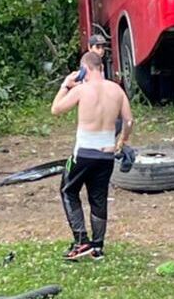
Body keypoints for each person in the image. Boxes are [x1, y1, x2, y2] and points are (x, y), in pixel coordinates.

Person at [50, 51, 133, 261]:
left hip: (84, 152)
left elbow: (56, 109)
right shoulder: (116, 89)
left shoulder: (82, 90)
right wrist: (121, 142)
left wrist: (65, 85)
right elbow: (129, 121)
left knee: (68, 191)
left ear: (84, 69)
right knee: (98, 197)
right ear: (102, 68)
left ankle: (81, 240)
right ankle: (97, 246)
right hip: (106, 154)